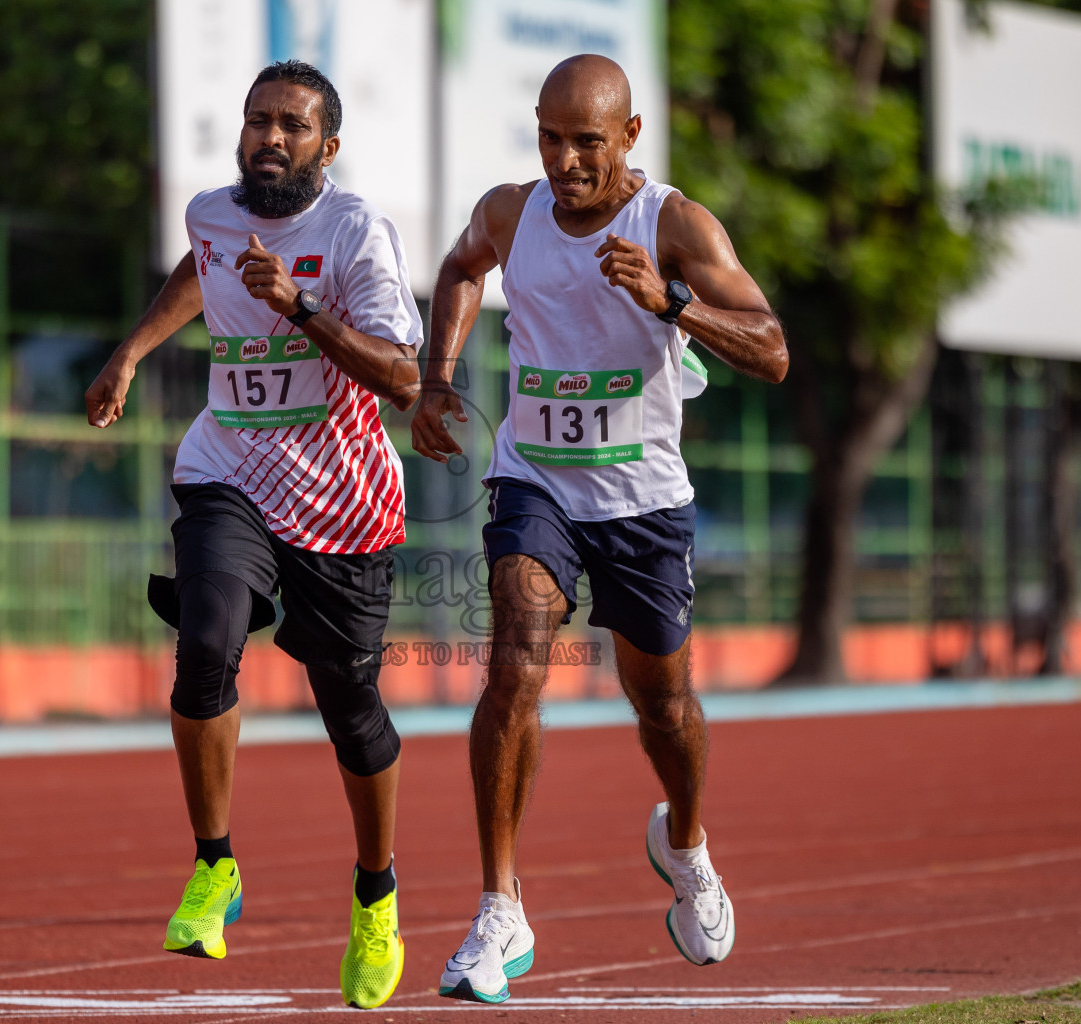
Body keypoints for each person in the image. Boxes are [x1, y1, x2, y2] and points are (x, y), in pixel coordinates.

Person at [410, 54, 788, 1004]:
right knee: (515, 667)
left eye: (588, 140)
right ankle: (501, 907)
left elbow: (774, 350)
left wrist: (673, 302)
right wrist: (440, 375)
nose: (567, 160)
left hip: (644, 501)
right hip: (535, 481)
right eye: (551, 136)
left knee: (663, 707)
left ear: (630, 137)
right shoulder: (513, 212)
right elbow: (460, 266)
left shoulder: (675, 224)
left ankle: (687, 844)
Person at [86, 60, 421, 1010]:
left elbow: (401, 374)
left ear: (328, 145)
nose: (270, 138)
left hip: (341, 498)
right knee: (205, 645)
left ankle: (375, 894)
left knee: (349, 710)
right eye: (257, 120)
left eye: (292, 125)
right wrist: (130, 353)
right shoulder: (212, 215)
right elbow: (201, 270)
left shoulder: (356, 233)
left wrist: (299, 308)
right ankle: (214, 866)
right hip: (229, 467)